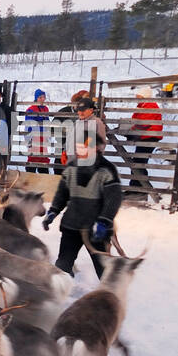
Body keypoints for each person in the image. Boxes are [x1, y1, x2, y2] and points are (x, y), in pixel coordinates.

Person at [43, 96, 122, 280]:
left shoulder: (105, 168)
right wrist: (54, 211)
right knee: (63, 264)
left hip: (95, 224)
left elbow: (114, 197)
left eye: (83, 110)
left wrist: (104, 220)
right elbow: (63, 192)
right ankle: (63, 284)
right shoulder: (73, 166)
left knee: (103, 266)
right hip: (72, 223)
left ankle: (109, 292)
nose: (79, 112)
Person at [119, 86, 162, 191]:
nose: (136, 97)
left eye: (139, 96)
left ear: (145, 96)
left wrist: (129, 131)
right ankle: (138, 188)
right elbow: (135, 121)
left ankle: (139, 189)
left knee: (139, 162)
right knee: (139, 162)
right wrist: (126, 128)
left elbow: (142, 124)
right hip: (144, 137)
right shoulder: (142, 106)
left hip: (149, 138)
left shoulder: (150, 106)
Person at [23, 89, 53, 173]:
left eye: (43, 97)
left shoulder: (45, 109)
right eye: (40, 97)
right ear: (36, 98)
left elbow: (47, 121)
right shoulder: (31, 109)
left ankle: (43, 176)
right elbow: (28, 125)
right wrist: (28, 139)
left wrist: (48, 134)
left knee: (43, 158)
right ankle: (29, 176)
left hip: (43, 137)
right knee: (33, 158)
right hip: (34, 137)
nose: (42, 99)